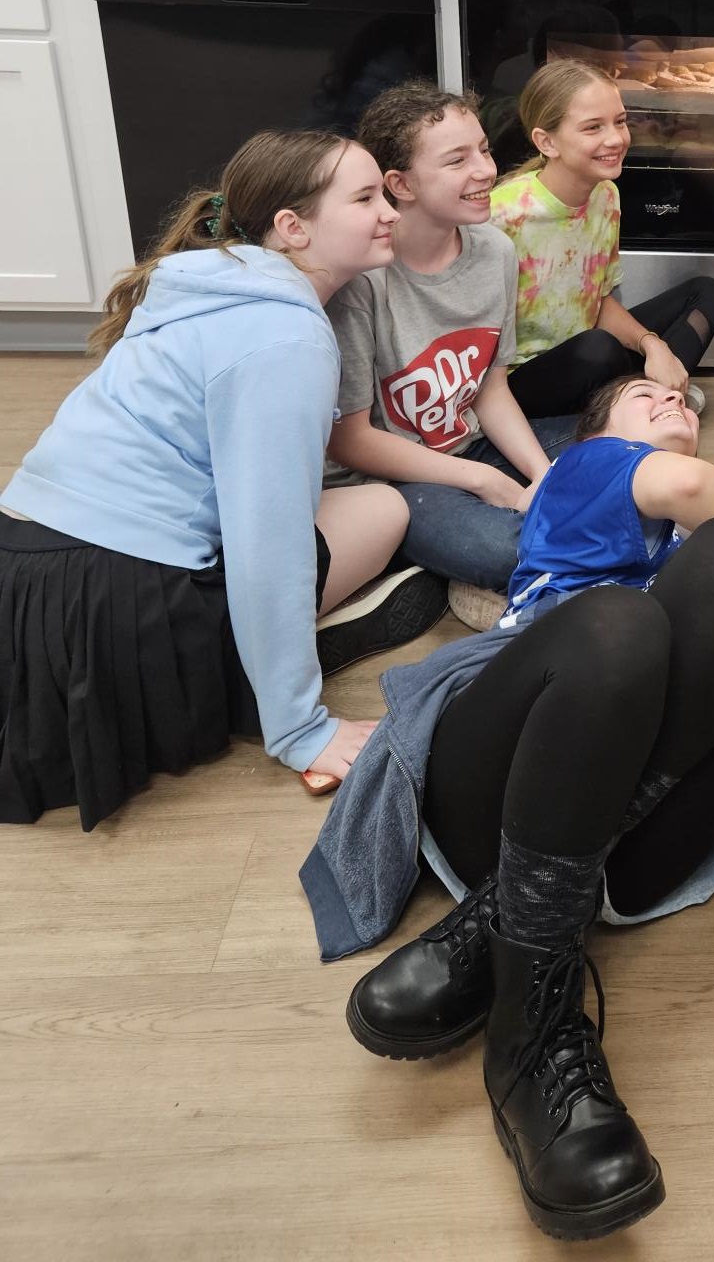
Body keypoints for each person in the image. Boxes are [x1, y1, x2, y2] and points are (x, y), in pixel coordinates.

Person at [301, 373, 714, 1242]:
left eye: (683, 404)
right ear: (600, 433)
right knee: (620, 627)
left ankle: (495, 922)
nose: (675, 404)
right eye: (647, 397)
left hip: (641, 832)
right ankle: (532, 1039)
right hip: (505, 768)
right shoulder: (589, 468)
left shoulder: (705, 554)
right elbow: (684, 487)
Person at [0, 130, 437, 829]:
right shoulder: (285, 339)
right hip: (115, 600)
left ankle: (262, 650)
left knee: (337, 502)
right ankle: (265, 668)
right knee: (383, 509)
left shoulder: (208, 281)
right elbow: (269, 544)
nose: (389, 210)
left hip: (26, 574)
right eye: (364, 198)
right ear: (293, 229)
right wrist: (301, 729)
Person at [325, 81, 571, 614]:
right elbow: (348, 441)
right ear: (401, 184)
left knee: (627, 447)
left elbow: (490, 388)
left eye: (483, 149)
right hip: (396, 476)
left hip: (469, 442)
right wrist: (483, 481)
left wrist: (540, 474)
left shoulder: (495, 252)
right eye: (457, 160)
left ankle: (478, 554)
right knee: (500, 551)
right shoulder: (363, 279)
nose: (486, 170)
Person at [490, 60, 714, 418]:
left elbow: (597, 301)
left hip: (586, 346)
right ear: (547, 142)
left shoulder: (606, 196)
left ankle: (639, 396)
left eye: (619, 121)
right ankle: (648, 398)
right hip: (519, 380)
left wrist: (654, 346)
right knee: (598, 349)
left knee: (707, 292)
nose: (616, 139)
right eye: (592, 127)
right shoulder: (503, 217)